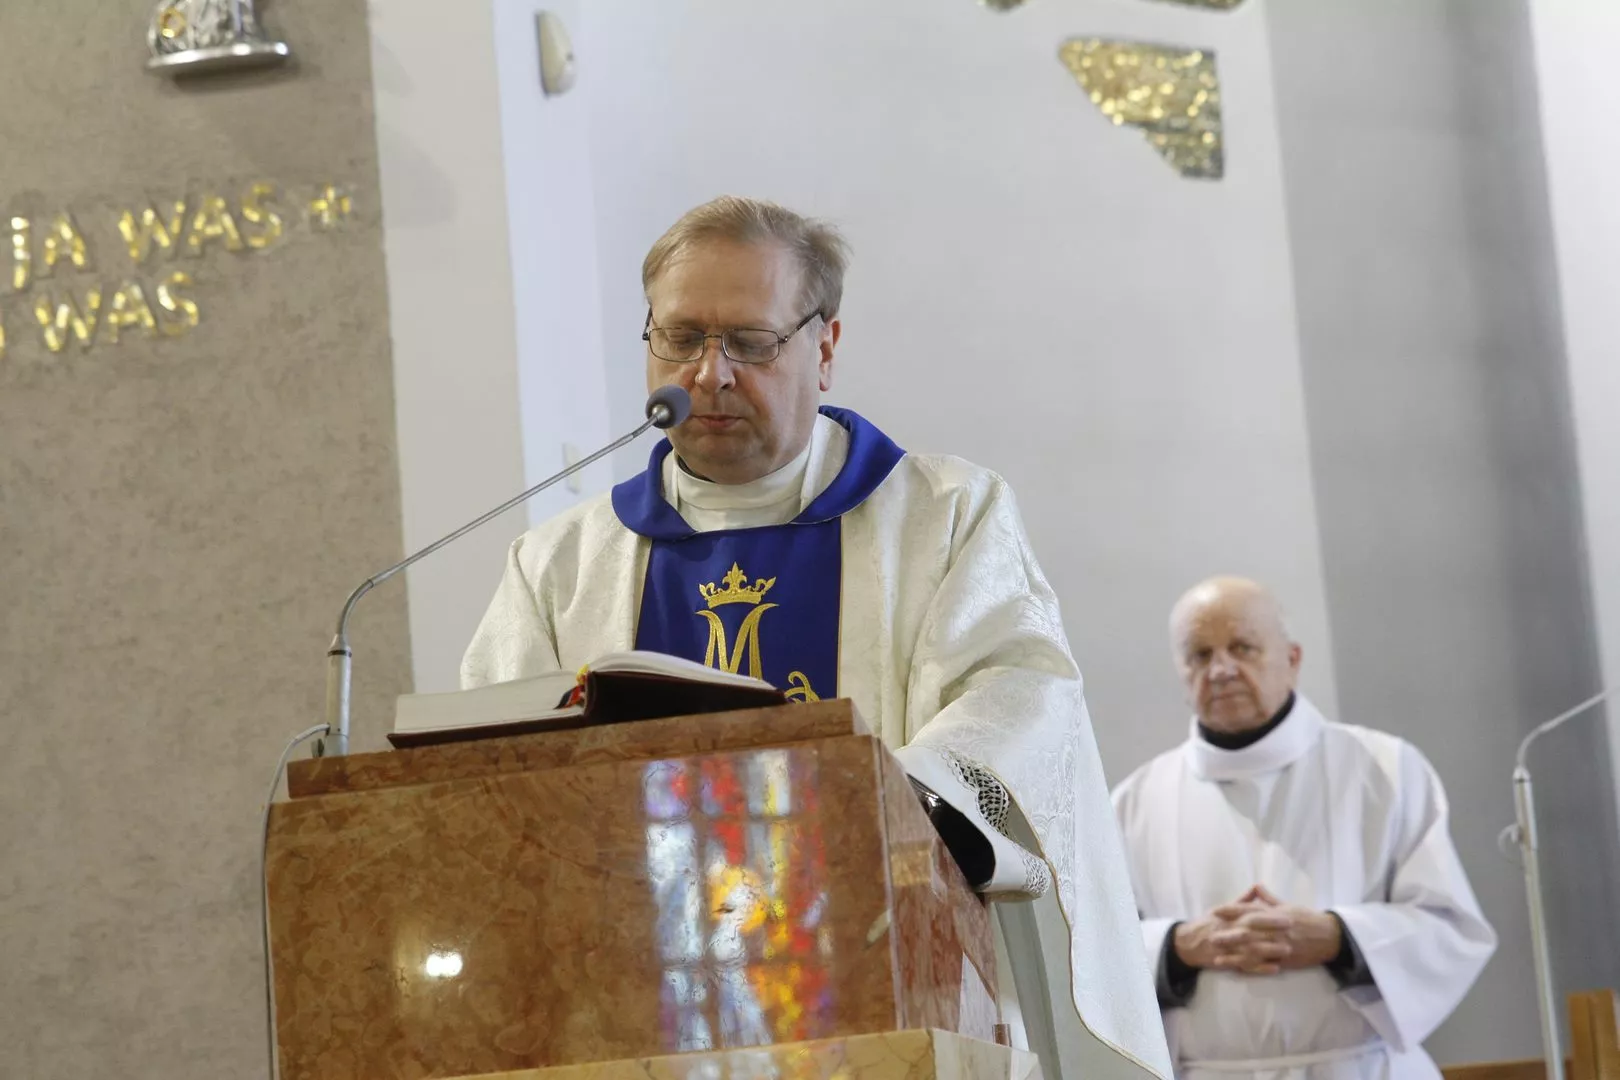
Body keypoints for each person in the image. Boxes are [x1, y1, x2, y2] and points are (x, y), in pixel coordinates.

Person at [462, 195, 1170, 1080]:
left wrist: (861, 820)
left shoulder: (944, 517)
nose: (709, 374)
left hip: (894, 988)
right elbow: (489, 779)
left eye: (749, 342)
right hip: (633, 1010)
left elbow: (1016, 696)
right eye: (679, 338)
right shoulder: (561, 564)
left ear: (825, 349)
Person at [1112, 576, 1497, 1080]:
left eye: (1242, 647)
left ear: (1292, 659)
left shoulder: (1385, 770)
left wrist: (1340, 938)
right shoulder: (1136, 801)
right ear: (1181, 674)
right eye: (1200, 655)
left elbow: (1450, 929)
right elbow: (1094, 957)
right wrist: (1178, 947)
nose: (1221, 669)